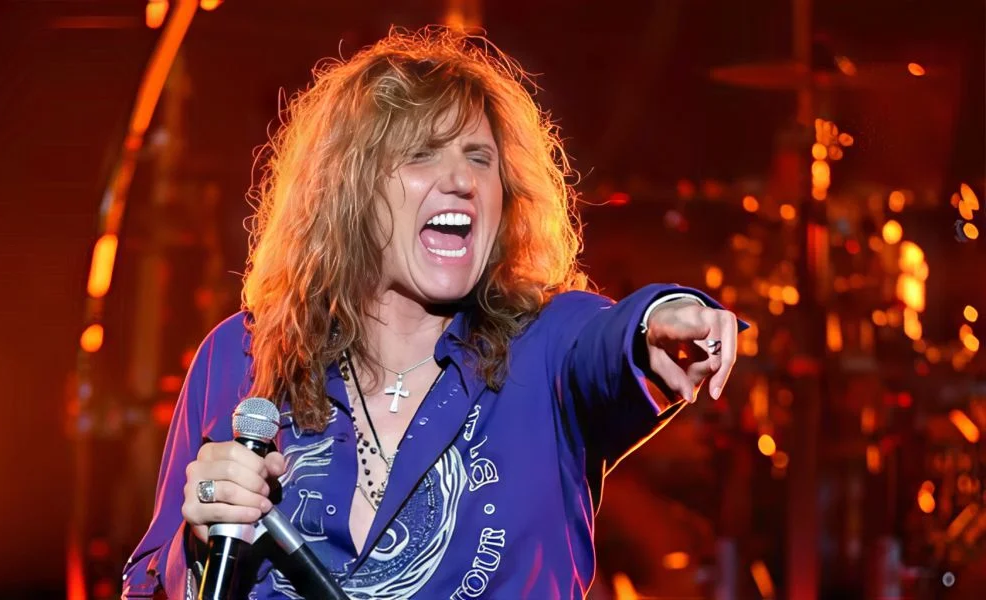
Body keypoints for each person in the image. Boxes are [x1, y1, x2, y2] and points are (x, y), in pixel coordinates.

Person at [122, 26, 746, 599]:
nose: (462, 180)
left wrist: (659, 317)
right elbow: (147, 584)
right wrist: (199, 541)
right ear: (351, 189)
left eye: (480, 158)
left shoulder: (546, 348)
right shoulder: (242, 356)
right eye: (422, 154)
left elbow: (607, 342)